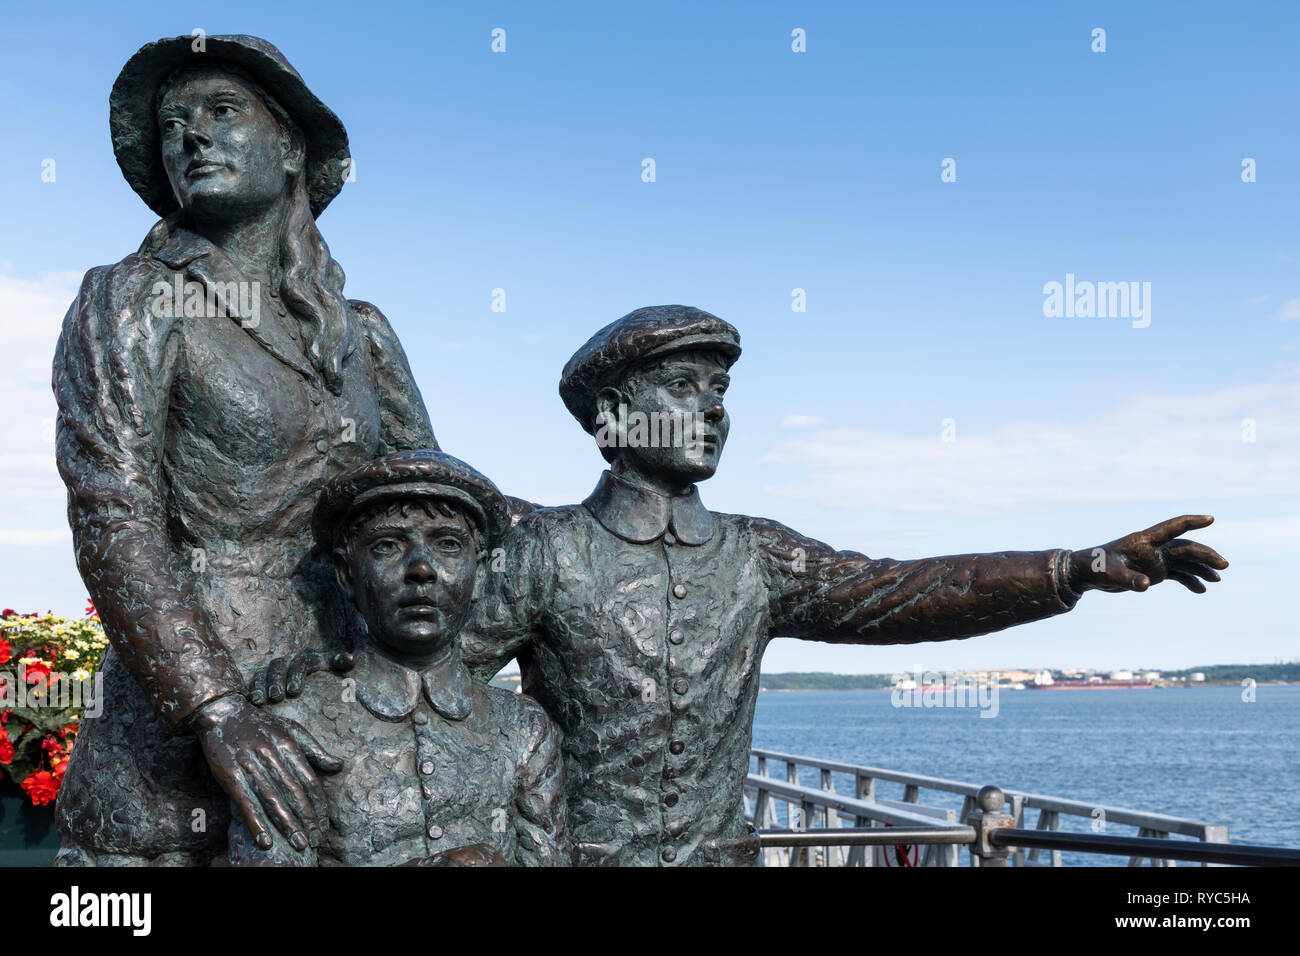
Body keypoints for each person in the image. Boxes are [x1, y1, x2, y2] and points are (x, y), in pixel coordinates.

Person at [452, 304, 1229, 866]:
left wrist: (1075, 567)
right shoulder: (545, 552)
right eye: (684, 385)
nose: (713, 408)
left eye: (719, 389)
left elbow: (898, 592)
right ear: (616, 415)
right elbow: (441, 697)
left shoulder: (754, 554)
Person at [52, 36, 436, 864]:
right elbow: (112, 516)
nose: (191, 136)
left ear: (291, 146)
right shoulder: (131, 298)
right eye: (172, 125)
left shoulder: (362, 334)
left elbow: (431, 506)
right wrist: (216, 708)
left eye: (222, 112)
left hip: (340, 722)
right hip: (178, 745)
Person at [230, 450, 567, 866]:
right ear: (345, 575)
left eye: (448, 545)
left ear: (479, 573)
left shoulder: (525, 730)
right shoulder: (292, 722)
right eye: (387, 546)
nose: (422, 569)